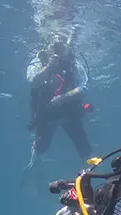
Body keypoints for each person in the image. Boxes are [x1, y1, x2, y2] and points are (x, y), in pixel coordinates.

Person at [24, 33, 92, 189]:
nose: (57, 49)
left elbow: (84, 87)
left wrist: (63, 98)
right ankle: (34, 163)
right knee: (42, 147)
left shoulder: (74, 64)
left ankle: (89, 177)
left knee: (83, 146)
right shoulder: (38, 61)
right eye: (54, 45)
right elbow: (33, 82)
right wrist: (48, 67)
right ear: (46, 46)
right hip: (46, 116)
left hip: (69, 114)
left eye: (61, 45)